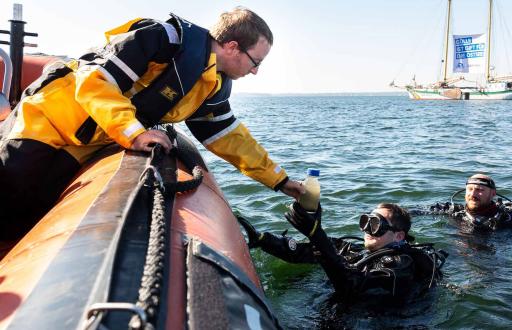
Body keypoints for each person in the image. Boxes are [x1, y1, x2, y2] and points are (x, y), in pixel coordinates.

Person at [0, 7, 303, 240]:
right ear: (233, 46)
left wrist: (279, 180)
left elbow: (229, 137)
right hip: (45, 123)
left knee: (30, 213)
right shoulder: (161, 39)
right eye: (256, 61)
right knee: (11, 189)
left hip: (84, 146)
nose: (255, 71)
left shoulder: (211, 83)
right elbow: (94, 83)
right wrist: (134, 133)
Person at [238, 202, 447, 300]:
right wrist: (264, 240)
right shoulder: (355, 250)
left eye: (375, 225)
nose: (367, 230)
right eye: (366, 222)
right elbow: (304, 252)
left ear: (399, 236)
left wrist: (317, 236)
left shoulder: (402, 265)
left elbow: (352, 287)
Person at [429, 173, 512, 231]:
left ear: (493, 193)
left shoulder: (511, 217)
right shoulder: (450, 211)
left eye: (479, 190)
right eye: (470, 189)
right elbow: (415, 213)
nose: (473, 195)